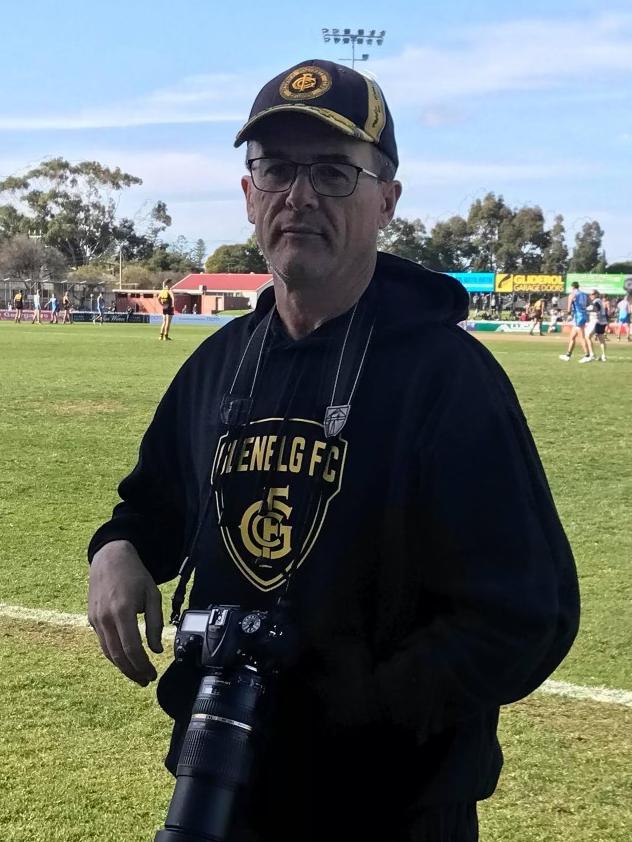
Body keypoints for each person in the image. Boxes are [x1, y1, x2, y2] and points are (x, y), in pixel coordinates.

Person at [87, 59, 579, 842]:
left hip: (390, 811)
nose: (300, 196)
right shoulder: (219, 366)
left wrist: (363, 706)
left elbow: (529, 615)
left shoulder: (447, 378)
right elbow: (151, 507)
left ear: (387, 200)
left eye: (333, 173)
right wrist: (116, 549)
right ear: (250, 194)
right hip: (221, 793)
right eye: (277, 169)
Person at [559, 281, 592, 362]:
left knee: (582, 337)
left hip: (578, 316)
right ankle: (568, 355)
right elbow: (589, 304)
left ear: (572, 287)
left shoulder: (572, 294)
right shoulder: (584, 295)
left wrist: (568, 314)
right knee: (572, 337)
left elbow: (569, 307)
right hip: (583, 315)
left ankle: (587, 355)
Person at [586, 290, 608, 361]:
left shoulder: (596, 301)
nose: (591, 295)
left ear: (596, 294)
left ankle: (592, 354)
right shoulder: (598, 301)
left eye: (592, 294)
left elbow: (596, 308)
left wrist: (586, 309)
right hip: (602, 321)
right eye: (590, 294)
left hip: (597, 322)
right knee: (601, 339)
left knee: (588, 336)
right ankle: (603, 356)